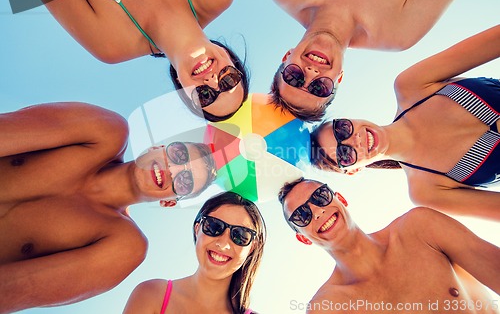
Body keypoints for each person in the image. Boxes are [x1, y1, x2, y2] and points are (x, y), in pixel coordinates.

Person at [0, 102, 217, 313]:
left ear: (169, 202)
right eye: (178, 155)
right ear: (157, 147)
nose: (172, 169)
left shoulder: (123, 246)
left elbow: (17, 290)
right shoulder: (104, 131)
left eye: (185, 181)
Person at [310, 25, 500, 221]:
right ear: (354, 170)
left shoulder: (411, 85)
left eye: (342, 129)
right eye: (345, 154)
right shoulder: (426, 191)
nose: (354, 140)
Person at [279, 178, 500, 314]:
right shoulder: (328, 306)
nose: (317, 211)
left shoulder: (420, 228)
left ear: (341, 199)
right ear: (303, 238)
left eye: (320, 196)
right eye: (301, 215)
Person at [36, 0, 249, 121]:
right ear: (231, 58)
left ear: (183, 89)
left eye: (205, 96)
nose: (212, 81)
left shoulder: (110, 46)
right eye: (228, 80)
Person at [269, 0, 467, 122]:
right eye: (319, 88)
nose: (311, 74)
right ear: (339, 78)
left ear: (287, 56)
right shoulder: (398, 33)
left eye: (294, 78)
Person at [123, 191, 266, 314]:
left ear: (252, 248)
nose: (223, 244)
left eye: (240, 235)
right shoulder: (150, 294)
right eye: (214, 226)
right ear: (197, 229)